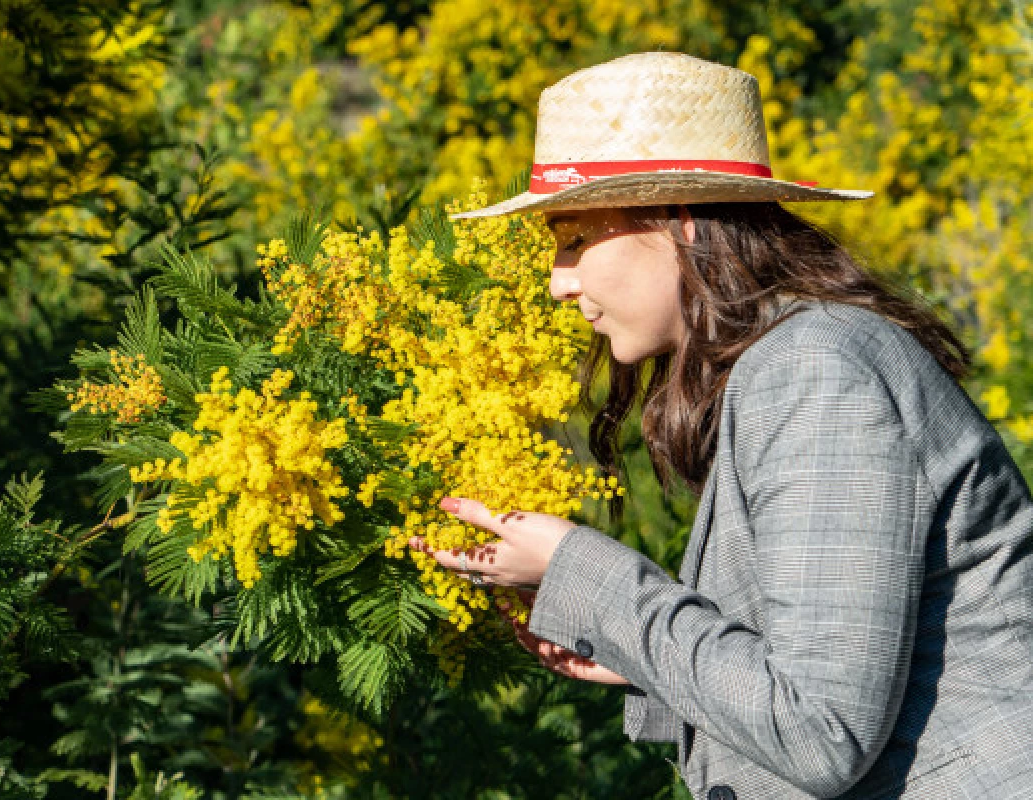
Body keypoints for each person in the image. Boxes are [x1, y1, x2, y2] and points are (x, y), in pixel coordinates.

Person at [409, 52, 1033, 799]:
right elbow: (808, 667)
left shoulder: (816, 370)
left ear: (681, 222)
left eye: (574, 237)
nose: (558, 279)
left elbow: (819, 732)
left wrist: (582, 571)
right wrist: (636, 649)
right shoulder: (792, 360)